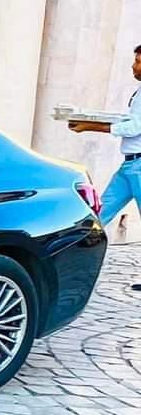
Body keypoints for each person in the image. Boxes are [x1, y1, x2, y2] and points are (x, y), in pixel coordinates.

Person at [71, 44, 141, 284]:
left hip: (139, 165)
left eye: (138, 61)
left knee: (100, 212)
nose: (133, 66)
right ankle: (72, 262)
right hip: (130, 165)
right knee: (99, 212)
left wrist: (91, 126)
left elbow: (135, 127)